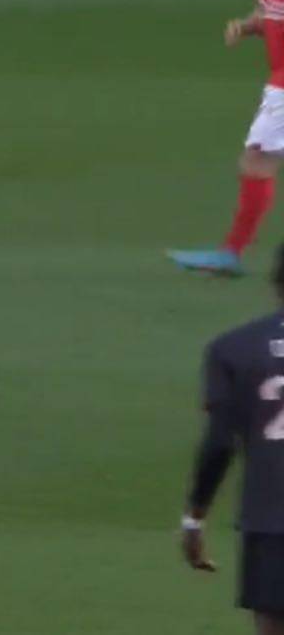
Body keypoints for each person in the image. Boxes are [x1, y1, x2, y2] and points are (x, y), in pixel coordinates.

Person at [170, 0, 284, 275]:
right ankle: (230, 253)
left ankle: (231, 253)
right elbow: (267, 14)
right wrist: (246, 27)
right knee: (258, 161)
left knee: (257, 161)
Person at [181, 244, 284, 635]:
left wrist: (195, 517)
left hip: (272, 519)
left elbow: (221, 442)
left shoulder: (233, 348)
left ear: (276, 283)